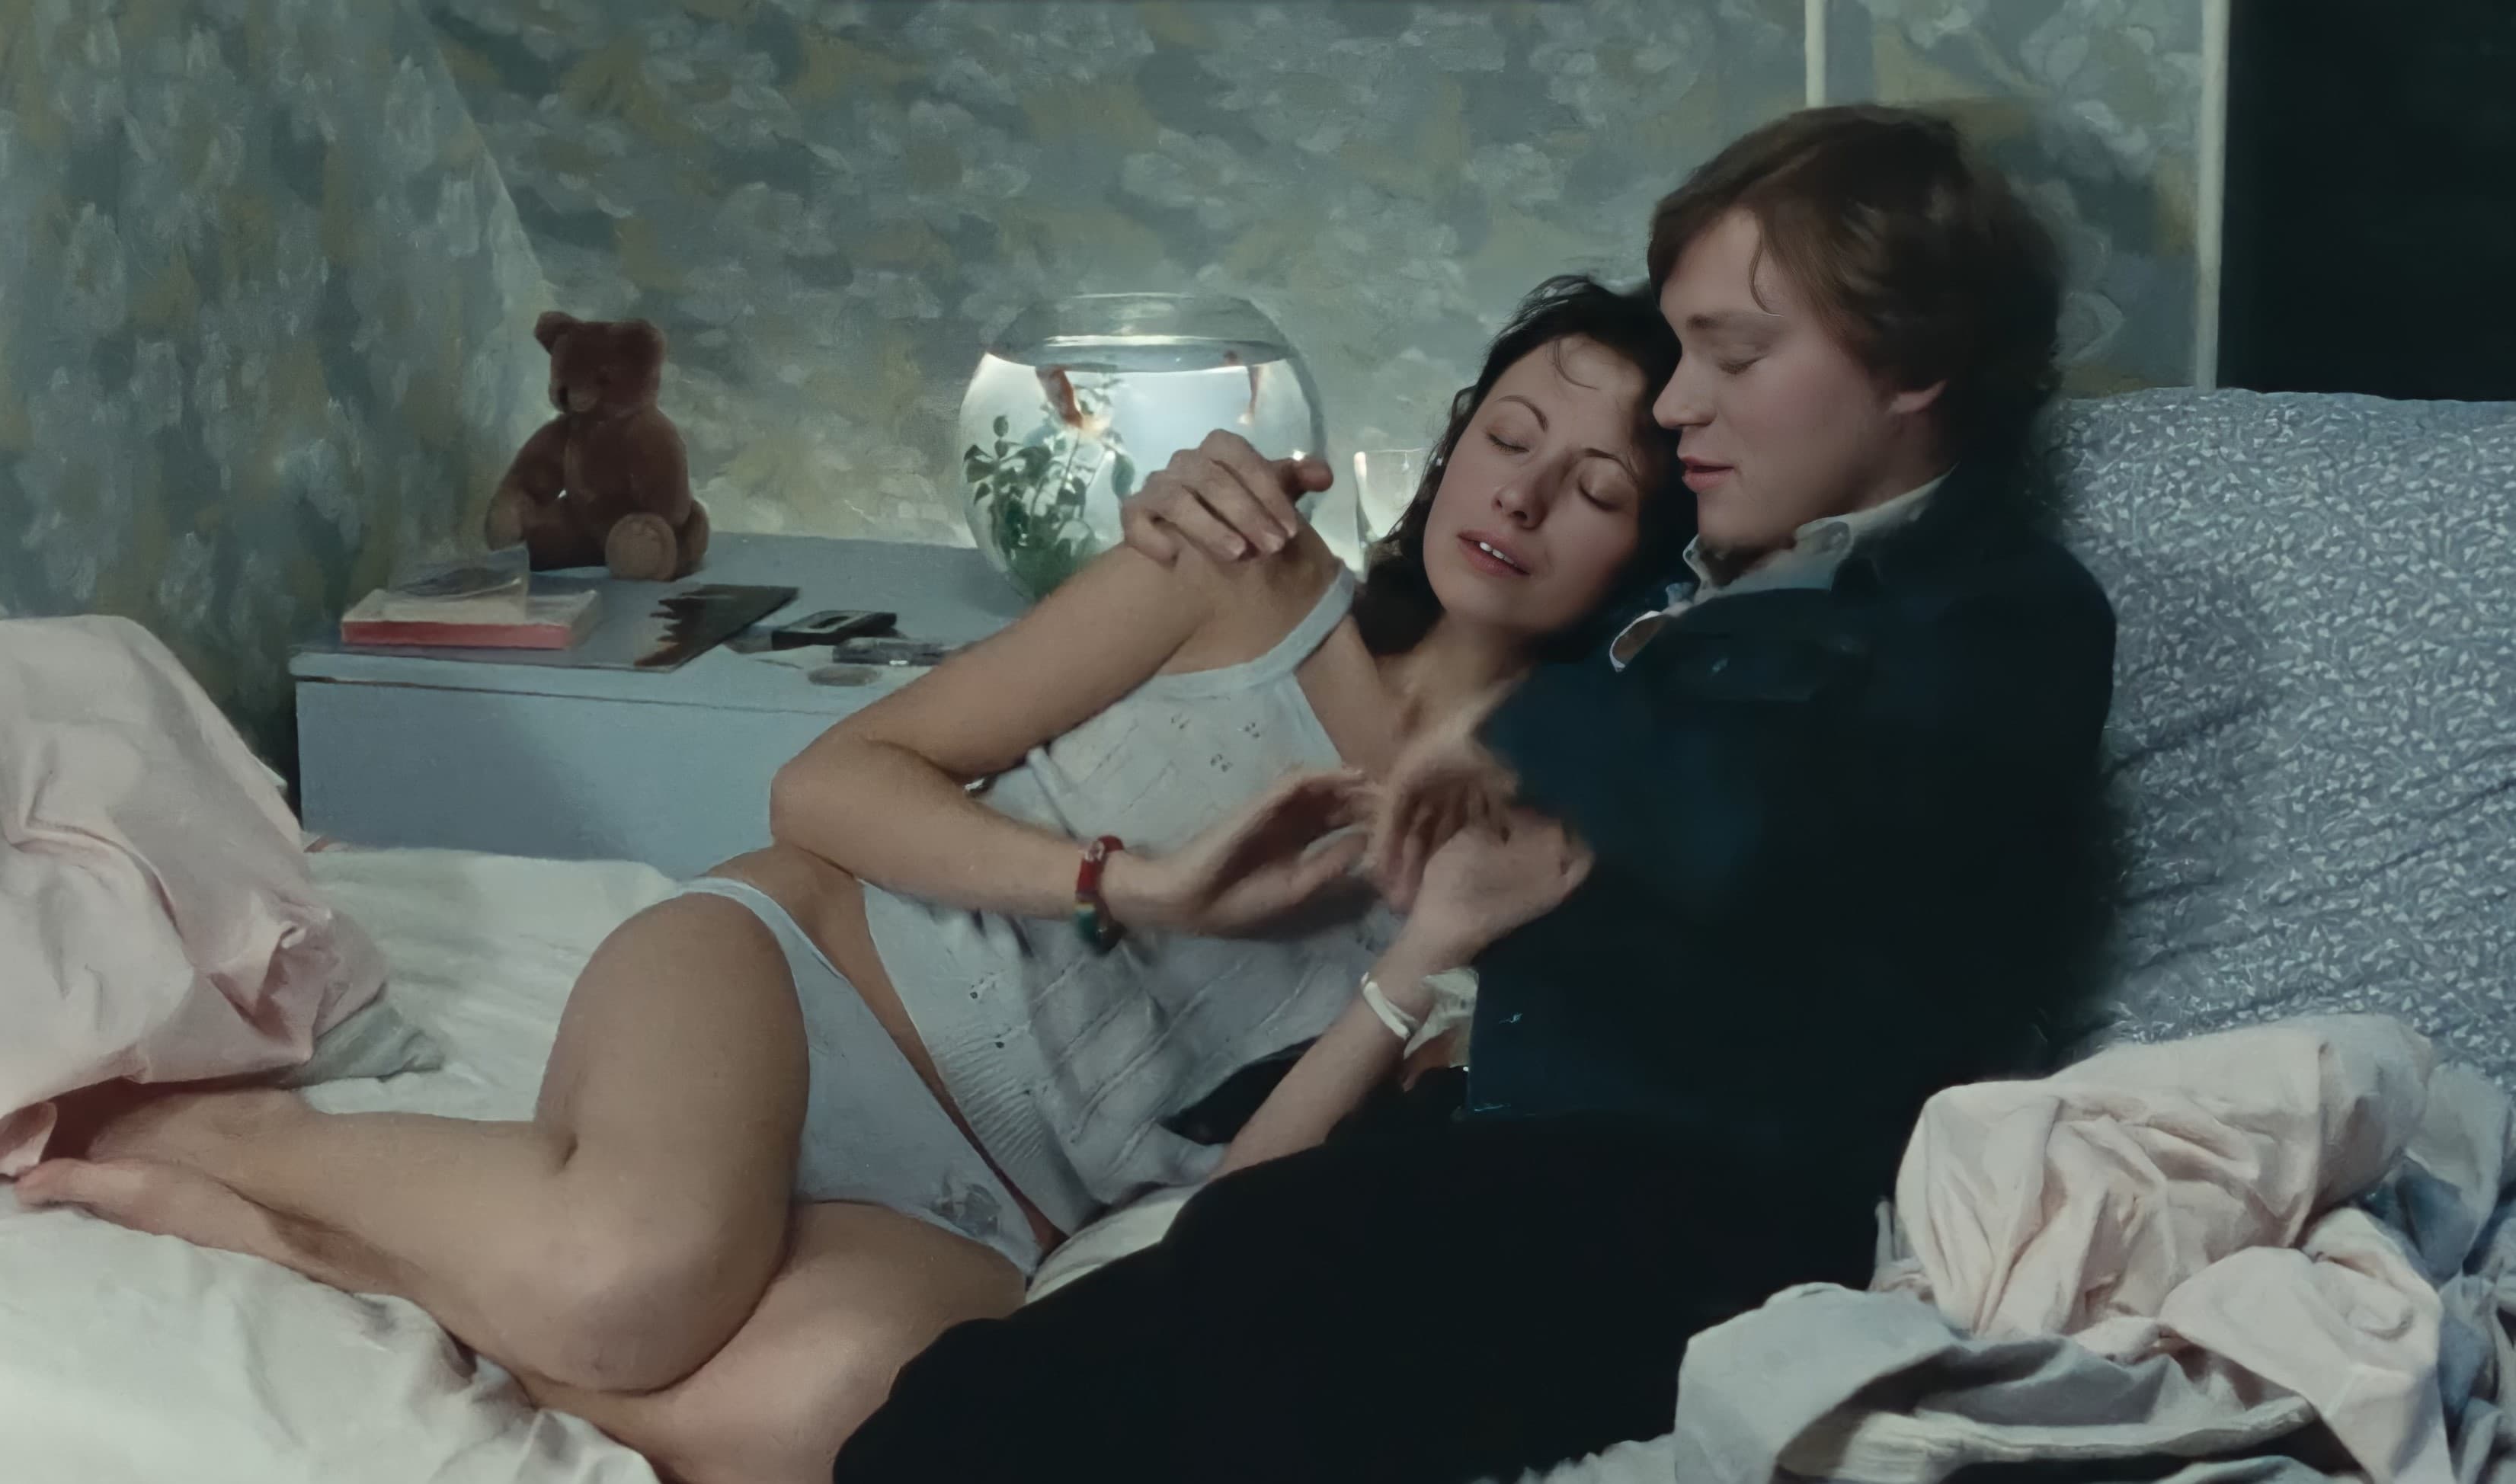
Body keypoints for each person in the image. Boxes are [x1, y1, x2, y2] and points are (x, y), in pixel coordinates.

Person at [13, 277, 1689, 1484]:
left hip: (995, 1207)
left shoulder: (1536, 871)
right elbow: (826, 784)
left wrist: (1416, 957)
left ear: (1655, 557)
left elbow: (1249, 1226)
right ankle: (246, 1146)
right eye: (1509, 431)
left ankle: (358, 1257)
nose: (1524, 492)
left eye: (1599, 485)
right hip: (808, 976)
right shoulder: (1239, 576)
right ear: (1456, 437)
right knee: (631, 1282)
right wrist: (1140, 885)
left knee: (855, 1424)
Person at [835, 104, 2119, 1484]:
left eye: (1735, 356)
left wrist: (1524, 740)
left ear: (1914, 364)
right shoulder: (1697, 581)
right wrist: (1209, 508)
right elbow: (1503, 601)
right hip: (1479, 1151)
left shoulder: (2001, 613)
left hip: (1695, 1191)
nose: (1678, 403)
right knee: (964, 1406)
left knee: (1055, 1408)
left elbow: (1769, 810)